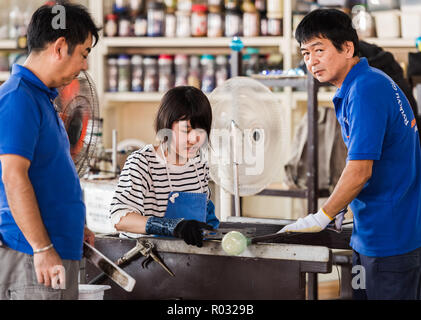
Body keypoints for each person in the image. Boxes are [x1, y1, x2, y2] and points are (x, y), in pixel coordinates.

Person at [279, 9, 421, 300]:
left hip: (390, 242)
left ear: (347, 48)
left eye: (320, 49)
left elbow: (361, 170)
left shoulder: (366, 89)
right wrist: (344, 200)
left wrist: (323, 215)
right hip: (369, 235)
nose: (311, 61)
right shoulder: (363, 83)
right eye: (305, 53)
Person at [0, 3, 100, 300]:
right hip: (32, 258)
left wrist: (74, 225)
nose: (85, 65)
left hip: (50, 254)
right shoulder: (19, 97)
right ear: (59, 47)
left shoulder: (42, 99)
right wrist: (42, 247)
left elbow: (47, 175)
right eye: (83, 53)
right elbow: (13, 177)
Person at [109, 86, 219, 247]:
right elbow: (119, 218)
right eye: (186, 130)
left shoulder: (199, 166)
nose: (194, 139)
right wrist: (173, 226)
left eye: (200, 131)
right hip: (146, 261)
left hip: (188, 259)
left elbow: (203, 217)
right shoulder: (142, 163)